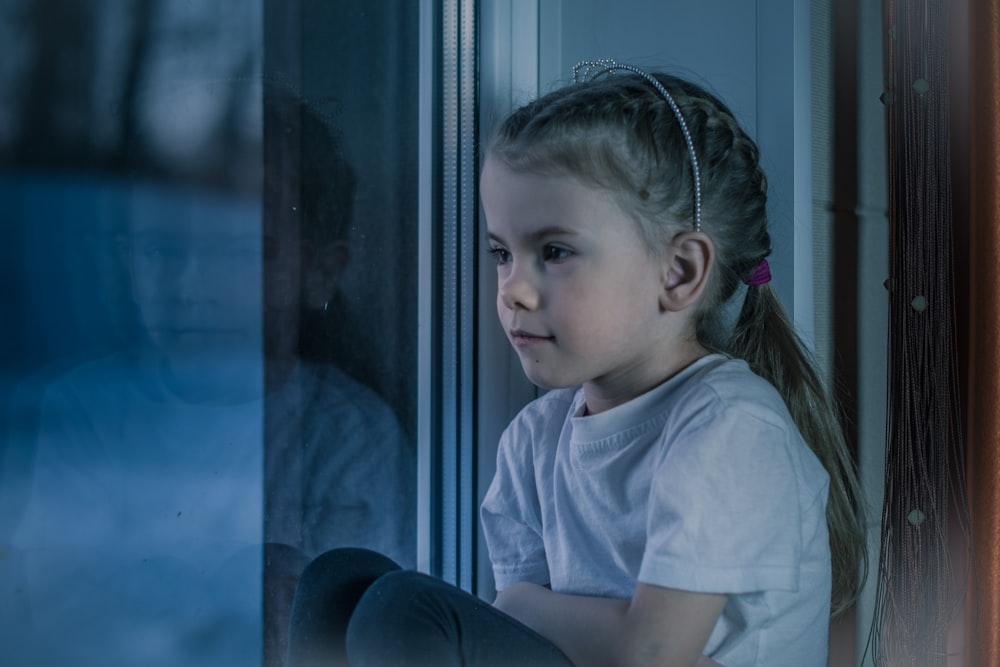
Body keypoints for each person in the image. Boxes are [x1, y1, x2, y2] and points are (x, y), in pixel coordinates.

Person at [286, 62, 866, 666]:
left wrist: (516, 604)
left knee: (404, 609)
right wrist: (515, 607)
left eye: (554, 252)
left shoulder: (730, 427)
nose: (513, 289)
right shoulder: (536, 440)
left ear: (679, 272)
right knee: (339, 581)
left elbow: (650, 654)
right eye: (503, 253)